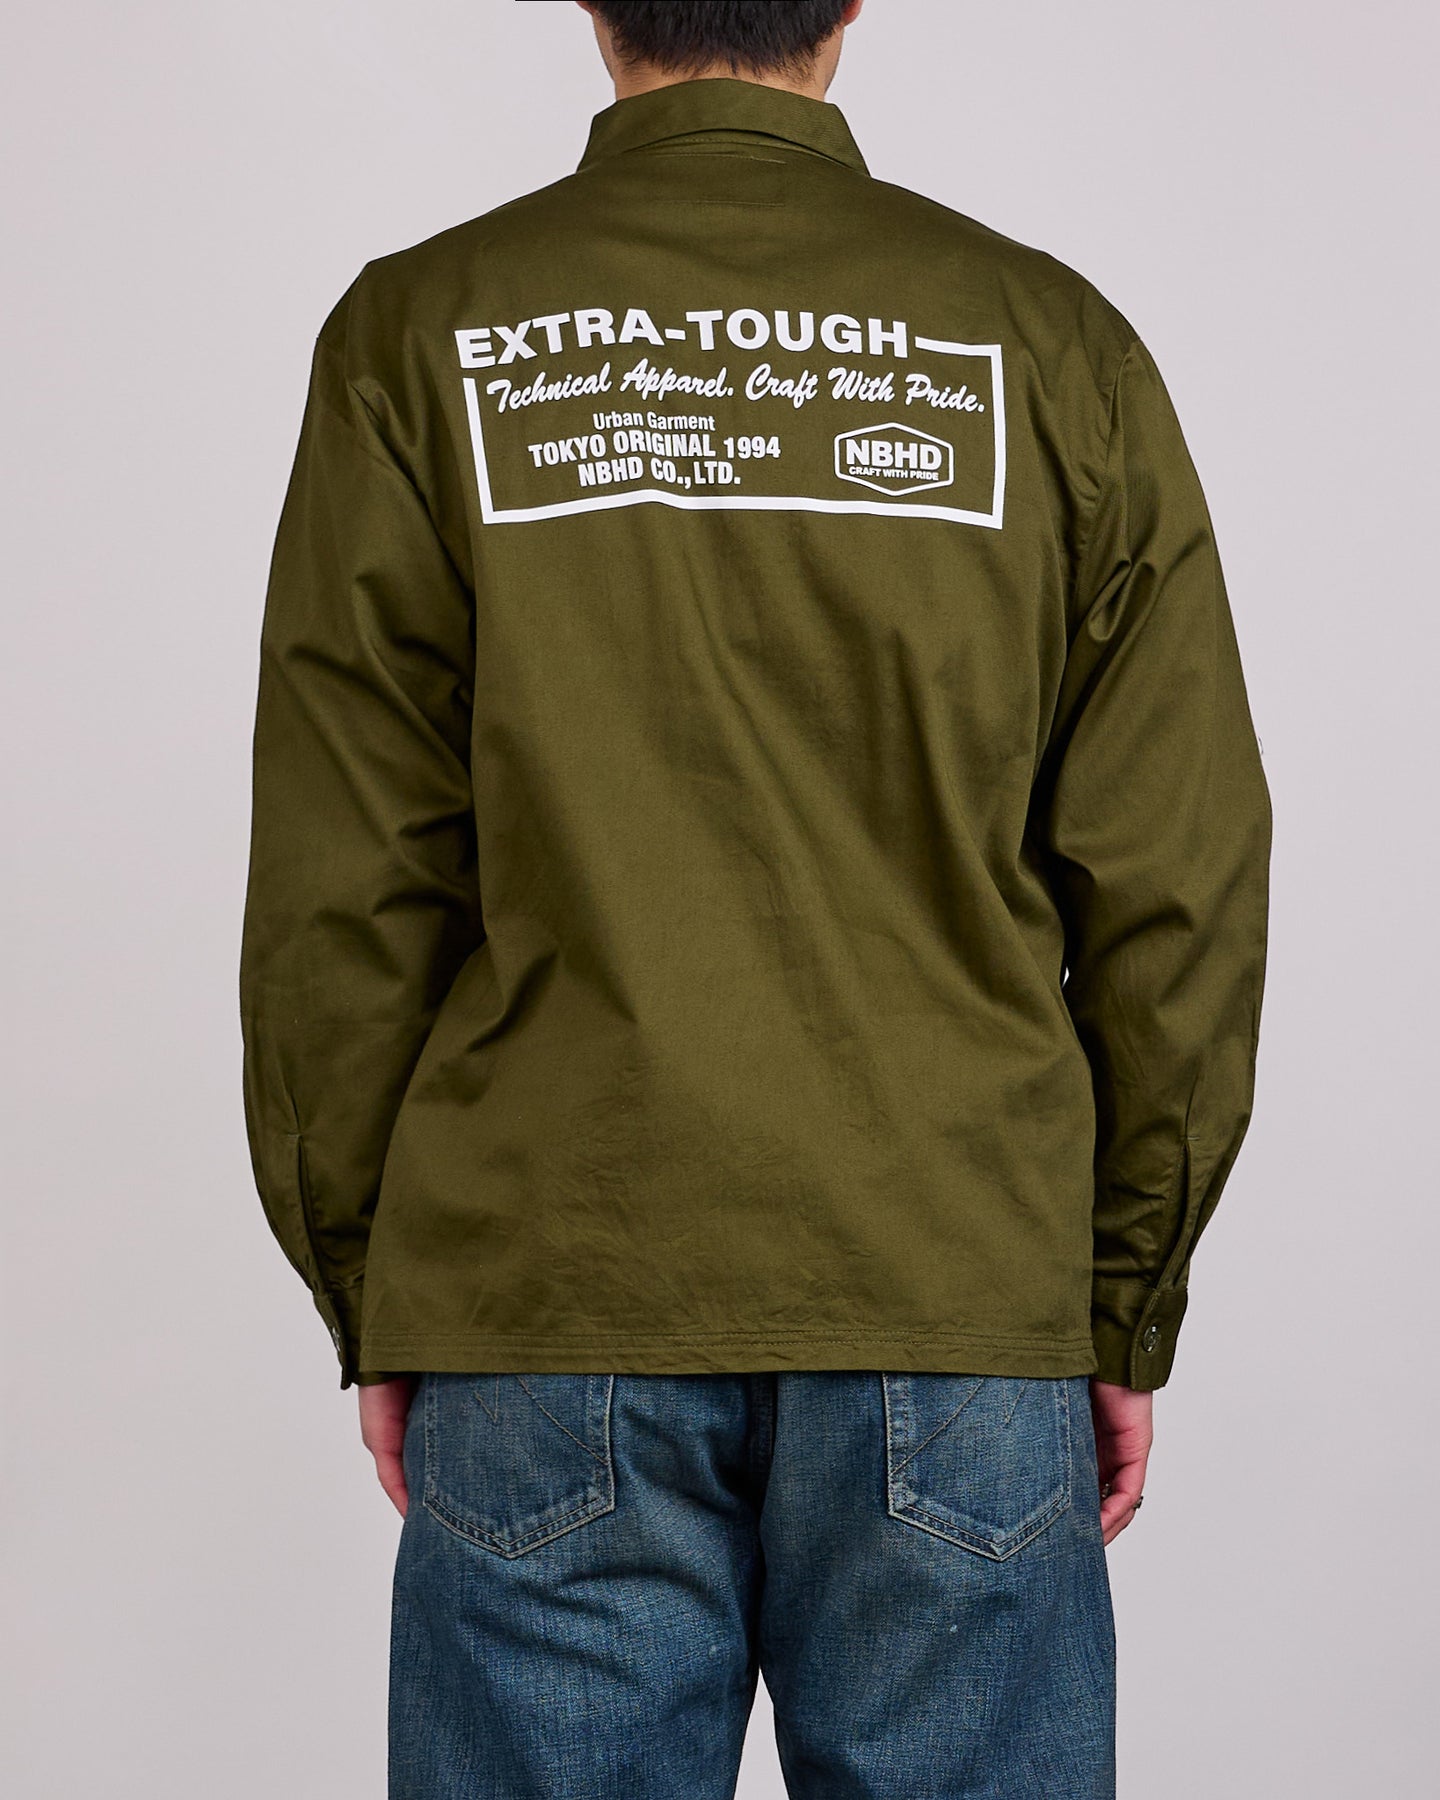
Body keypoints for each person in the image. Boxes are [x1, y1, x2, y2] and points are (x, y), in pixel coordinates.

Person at [239, 2, 1271, 1794]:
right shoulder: (1051, 346)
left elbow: (348, 881)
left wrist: (384, 1285)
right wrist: (1120, 1298)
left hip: (544, 1290)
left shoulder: (423, 333)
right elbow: (1178, 880)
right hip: (956, 1289)